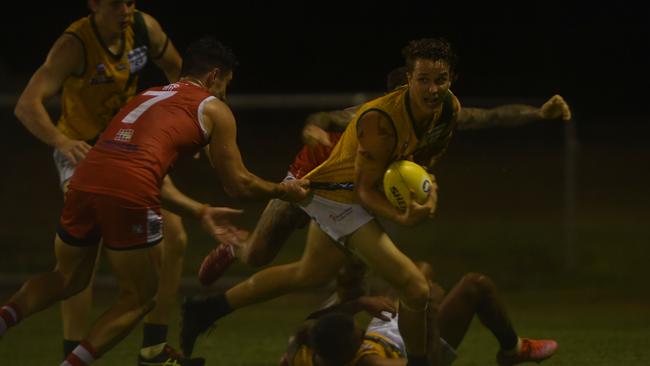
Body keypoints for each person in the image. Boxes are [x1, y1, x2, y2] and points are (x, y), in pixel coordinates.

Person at [0, 36, 310, 366]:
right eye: (225, 84)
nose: (224, 94)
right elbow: (239, 185)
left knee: (66, 277)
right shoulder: (213, 108)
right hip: (128, 189)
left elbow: (135, 171)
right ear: (212, 76)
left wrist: (200, 211)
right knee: (140, 297)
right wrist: (282, 191)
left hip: (86, 175)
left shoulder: (146, 96)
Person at [182, 38, 461, 366]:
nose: (432, 89)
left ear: (451, 80)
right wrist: (403, 218)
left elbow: (420, 165)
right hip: (327, 190)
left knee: (310, 273)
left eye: (440, 80)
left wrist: (428, 194)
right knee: (415, 288)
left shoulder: (446, 110)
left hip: (346, 187)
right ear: (408, 80)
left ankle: (206, 310)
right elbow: (362, 192)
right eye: (423, 80)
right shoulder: (380, 120)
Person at [197, 68, 571, 288]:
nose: (428, 95)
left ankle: (342, 335)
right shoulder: (377, 116)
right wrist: (311, 129)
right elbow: (324, 118)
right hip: (308, 181)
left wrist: (538, 113)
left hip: (351, 197)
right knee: (257, 256)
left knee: (353, 271)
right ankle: (236, 247)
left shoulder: (436, 118)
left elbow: (490, 117)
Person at [12, 1, 200, 364]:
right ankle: (71, 352)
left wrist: (181, 119)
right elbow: (27, 104)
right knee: (83, 258)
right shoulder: (75, 44)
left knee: (175, 237)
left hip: (128, 150)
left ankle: (153, 351)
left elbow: (177, 70)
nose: (126, 10)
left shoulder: (144, 29)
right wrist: (61, 141)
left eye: (130, 1)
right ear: (94, 4)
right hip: (82, 154)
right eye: (116, 3)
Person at [280, 262, 558, 366]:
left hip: (387, 325)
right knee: (475, 285)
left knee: (418, 270)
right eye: (359, 335)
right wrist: (429, 316)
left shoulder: (303, 347)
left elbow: (311, 324)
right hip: (418, 343)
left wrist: (363, 303)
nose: (361, 333)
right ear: (345, 356)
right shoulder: (370, 362)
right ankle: (513, 350)